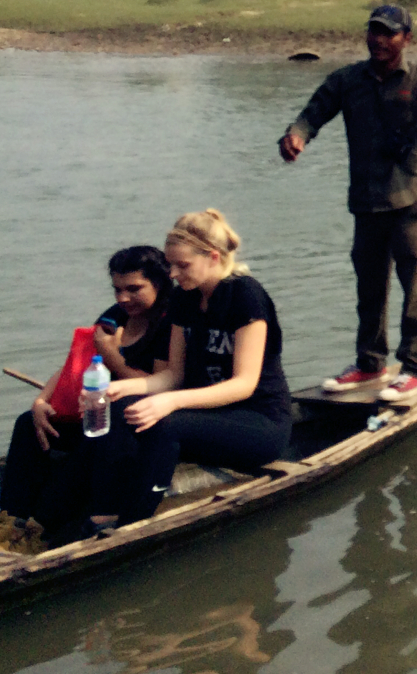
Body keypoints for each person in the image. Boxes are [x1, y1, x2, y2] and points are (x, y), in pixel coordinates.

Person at [279, 4, 417, 401]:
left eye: (388, 33)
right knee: (369, 287)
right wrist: (296, 135)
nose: (378, 39)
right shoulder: (347, 79)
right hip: (366, 201)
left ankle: (414, 366)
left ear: (406, 39)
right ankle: (369, 362)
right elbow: (313, 113)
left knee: (416, 289)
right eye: (373, 31)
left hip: (410, 199)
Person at [84, 212, 292, 530]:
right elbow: (173, 377)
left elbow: (244, 385)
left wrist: (172, 402)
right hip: (208, 416)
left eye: (182, 265)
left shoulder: (245, 296)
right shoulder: (184, 298)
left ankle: (134, 522)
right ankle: (102, 510)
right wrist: (120, 389)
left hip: (259, 421)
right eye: (170, 264)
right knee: (120, 407)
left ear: (212, 257)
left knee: (164, 423)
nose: (173, 274)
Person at [0, 247, 175, 539]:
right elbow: (77, 362)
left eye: (134, 289)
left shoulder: (168, 323)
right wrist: (42, 400)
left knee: (95, 440)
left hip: (133, 424)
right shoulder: (114, 316)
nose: (123, 298)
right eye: (117, 289)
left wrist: (111, 355)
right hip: (97, 409)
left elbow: (156, 382)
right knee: (28, 424)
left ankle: (42, 525)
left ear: (159, 283)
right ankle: (11, 518)